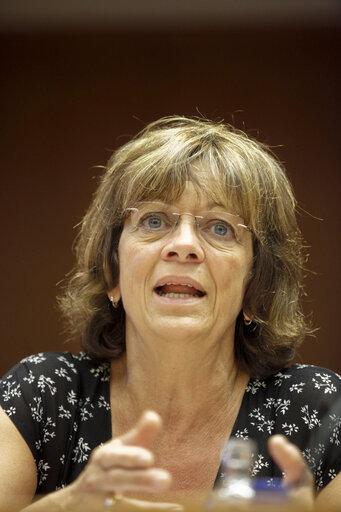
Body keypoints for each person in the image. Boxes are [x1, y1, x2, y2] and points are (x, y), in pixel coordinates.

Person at [0, 116, 340, 512]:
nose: (183, 246)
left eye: (220, 228)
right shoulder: (42, 397)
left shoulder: (321, 412)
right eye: (154, 220)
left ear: (255, 285)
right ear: (112, 271)